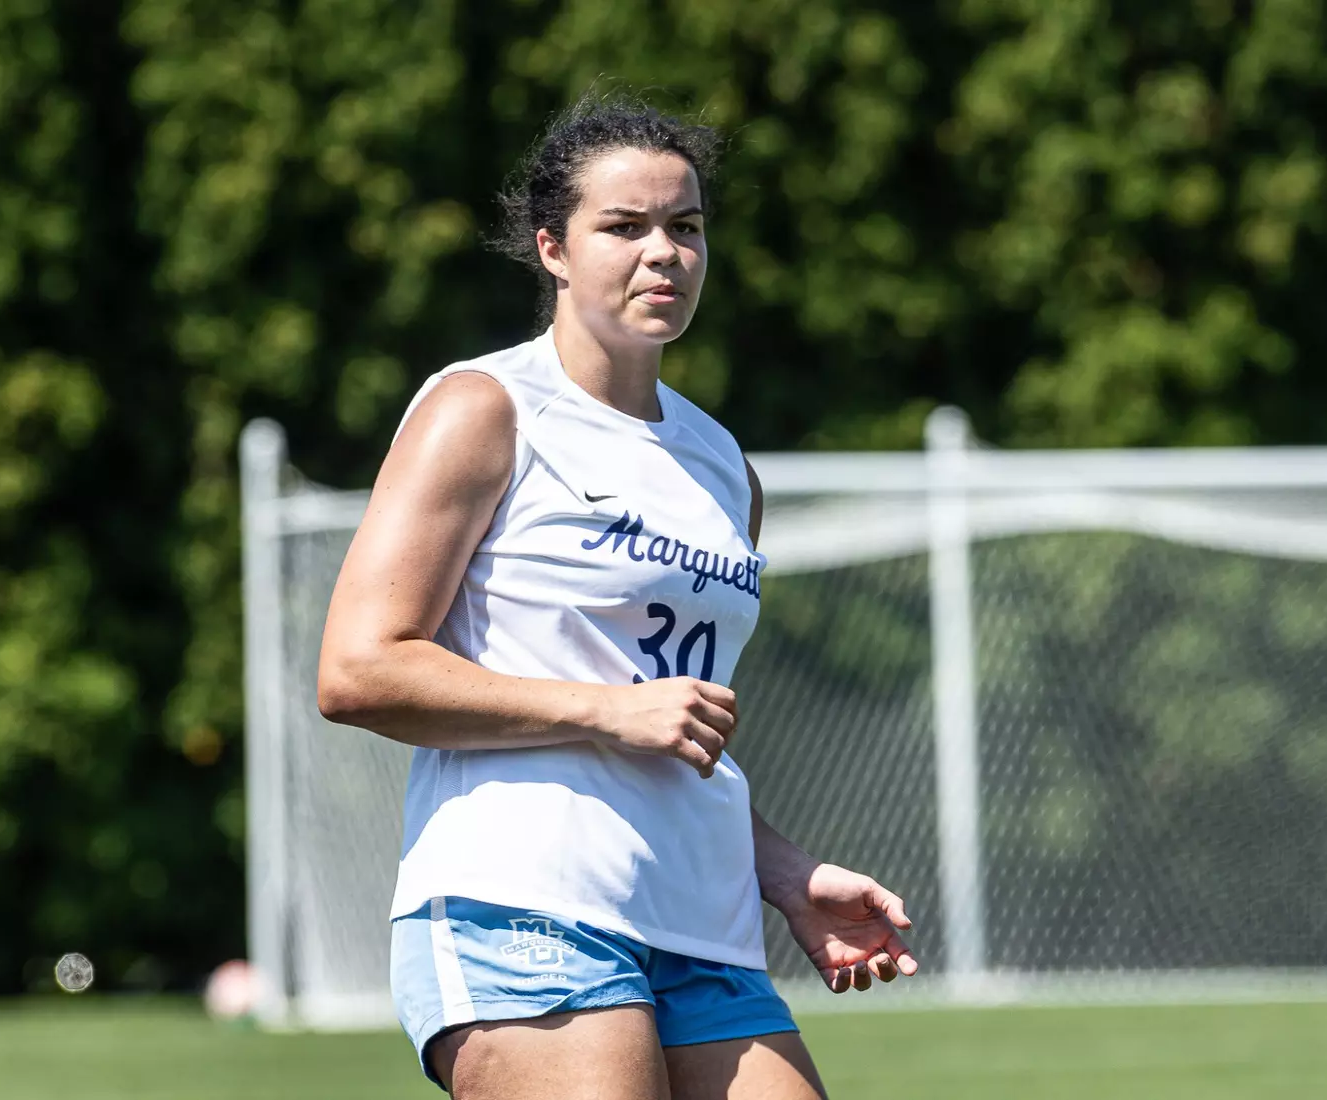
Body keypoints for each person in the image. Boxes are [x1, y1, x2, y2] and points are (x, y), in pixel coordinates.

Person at [317, 93, 918, 1100]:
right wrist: (601, 707)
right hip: (522, 902)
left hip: (701, 920)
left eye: (686, 227)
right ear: (552, 247)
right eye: (624, 227)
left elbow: (675, 719)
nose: (665, 254)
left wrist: (783, 872)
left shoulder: (724, 467)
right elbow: (358, 669)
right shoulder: (486, 408)